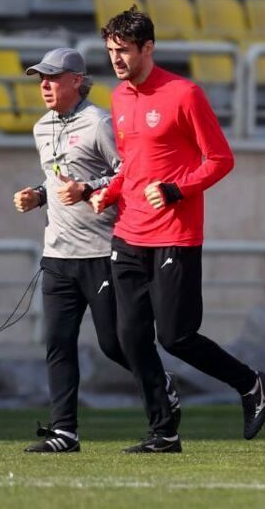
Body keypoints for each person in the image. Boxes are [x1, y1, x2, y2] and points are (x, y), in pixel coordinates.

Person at [90, 7, 265, 453]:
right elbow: (131, 165)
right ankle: (164, 431)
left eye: (123, 50)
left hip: (175, 234)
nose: (116, 59)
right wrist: (110, 192)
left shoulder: (184, 94)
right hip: (128, 234)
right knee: (126, 339)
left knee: (176, 337)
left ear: (147, 48)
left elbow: (220, 160)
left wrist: (175, 189)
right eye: (110, 50)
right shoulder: (119, 98)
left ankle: (249, 383)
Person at [13, 47, 176, 452]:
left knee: (115, 344)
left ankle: (162, 393)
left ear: (76, 80)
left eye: (52, 78)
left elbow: (129, 175)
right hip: (58, 256)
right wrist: (38, 195)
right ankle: (64, 431)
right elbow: (57, 179)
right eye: (40, 79)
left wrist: (90, 190)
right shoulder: (41, 128)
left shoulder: (100, 123)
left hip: (102, 252)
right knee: (57, 342)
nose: (45, 86)